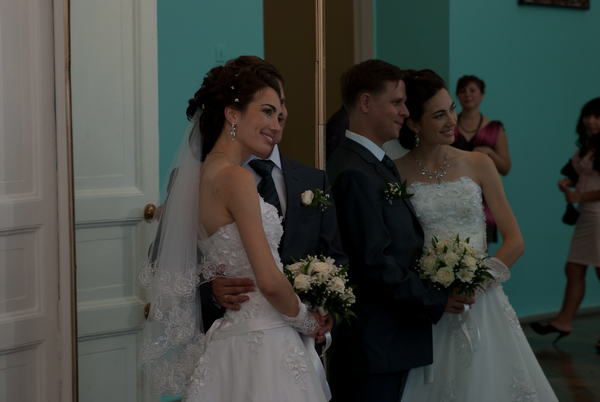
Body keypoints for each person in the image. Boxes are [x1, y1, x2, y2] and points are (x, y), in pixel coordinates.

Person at [138, 60, 330, 401]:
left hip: (230, 341)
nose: (277, 124)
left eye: (280, 115)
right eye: (267, 112)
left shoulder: (196, 181)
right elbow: (269, 281)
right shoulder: (237, 178)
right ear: (232, 114)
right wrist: (308, 323)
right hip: (266, 340)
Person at [394, 69, 557, 401]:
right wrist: (436, 294)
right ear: (413, 123)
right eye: (439, 115)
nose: (452, 120)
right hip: (429, 305)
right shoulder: (394, 172)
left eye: (451, 109)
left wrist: (474, 285)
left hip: (482, 300)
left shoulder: (479, 163)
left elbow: (515, 241)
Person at [326, 60, 473, 402]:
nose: (405, 112)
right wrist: (436, 299)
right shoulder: (353, 171)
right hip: (374, 344)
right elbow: (373, 263)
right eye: (396, 102)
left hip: (390, 341)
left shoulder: (375, 163)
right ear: (366, 103)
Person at [205, 56, 348, 349]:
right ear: (233, 113)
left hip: (283, 338)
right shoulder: (223, 177)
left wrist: (326, 313)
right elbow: (171, 260)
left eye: (280, 107)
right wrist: (209, 286)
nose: (279, 118)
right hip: (255, 334)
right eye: (268, 110)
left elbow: (335, 257)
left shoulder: (313, 179)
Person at [531, 98, 600, 351]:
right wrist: (568, 183)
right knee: (573, 269)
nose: (590, 121)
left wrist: (580, 196)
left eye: (597, 116)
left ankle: (564, 321)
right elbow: (585, 177)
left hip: (598, 215)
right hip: (587, 215)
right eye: (587, 116)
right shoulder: (587, 146)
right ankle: (563, 321)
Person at [452, 75, 511, 243]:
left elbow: (506, 168)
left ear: (482, 94)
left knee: (480, 249)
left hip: (483, 197)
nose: (467, 95)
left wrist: (490, 153)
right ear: (457, 95)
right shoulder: (449, 125)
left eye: (472, 90)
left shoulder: (495, 128)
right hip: (452, 192)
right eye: (462, 91)